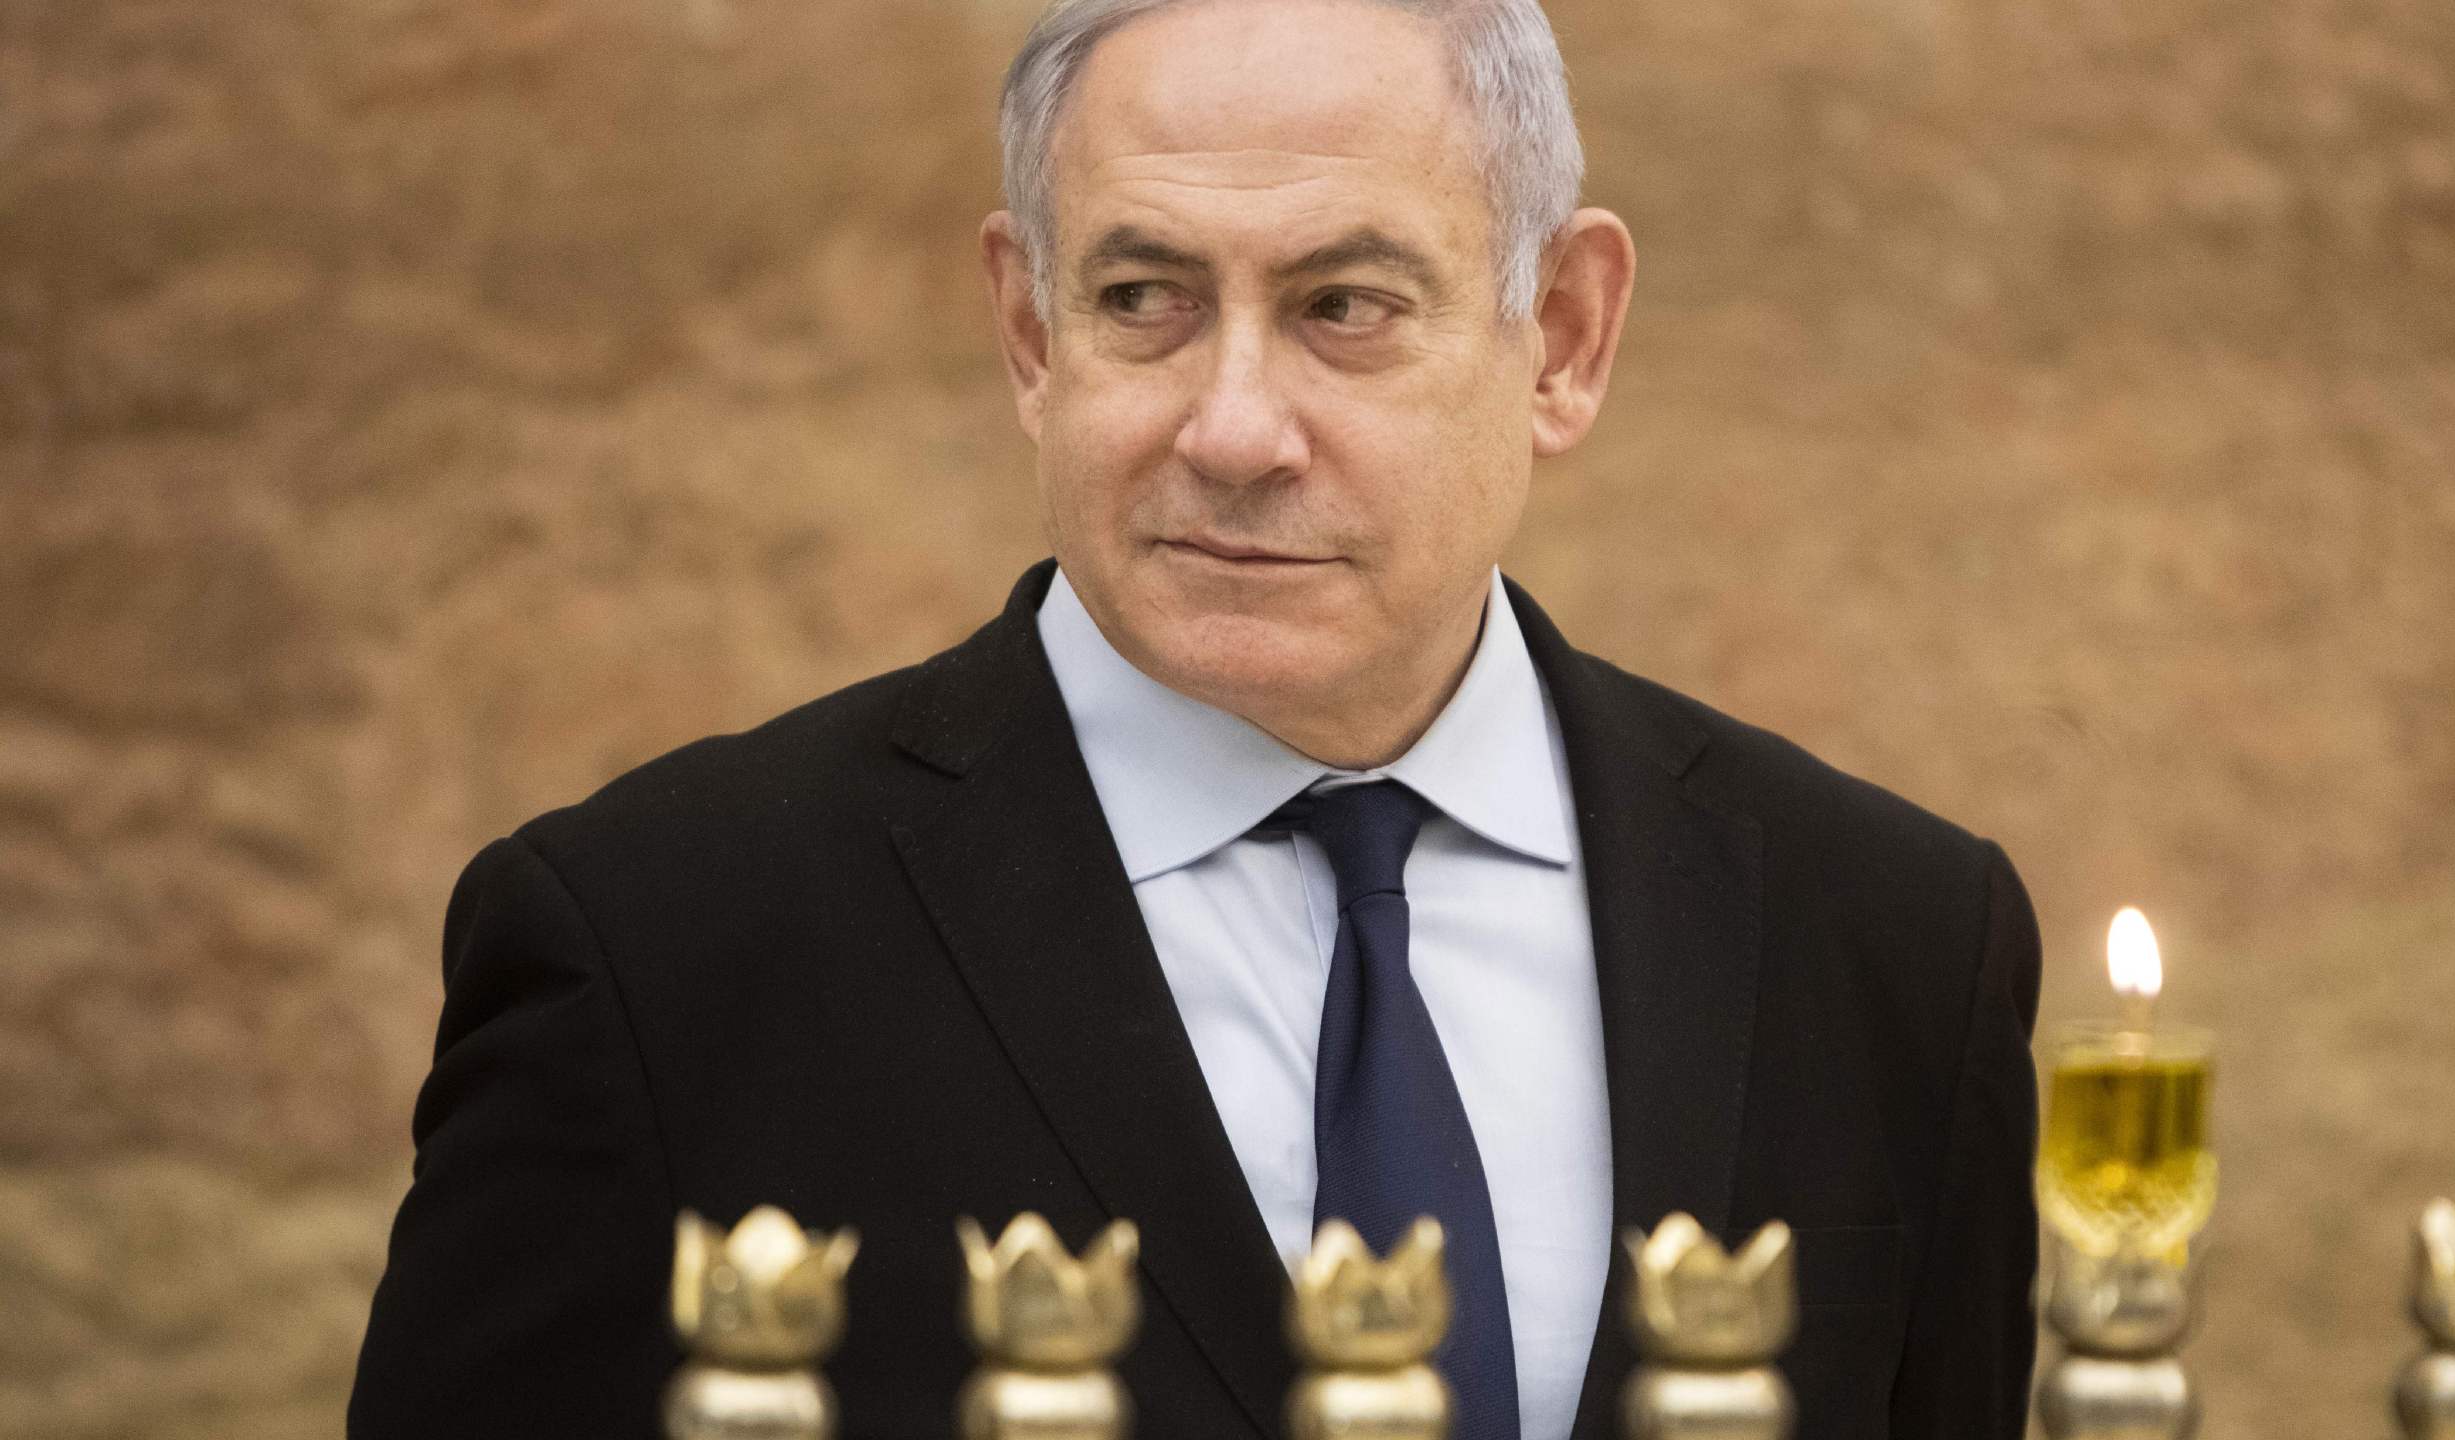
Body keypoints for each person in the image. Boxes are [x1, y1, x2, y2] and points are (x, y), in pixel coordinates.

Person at [347, 1, 2041, 1438]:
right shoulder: (662, 952)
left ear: (1564, 341)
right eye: (1144, 299)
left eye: (1343, 308)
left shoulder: (1888, 945)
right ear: (1029, 331)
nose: (1234, 429)